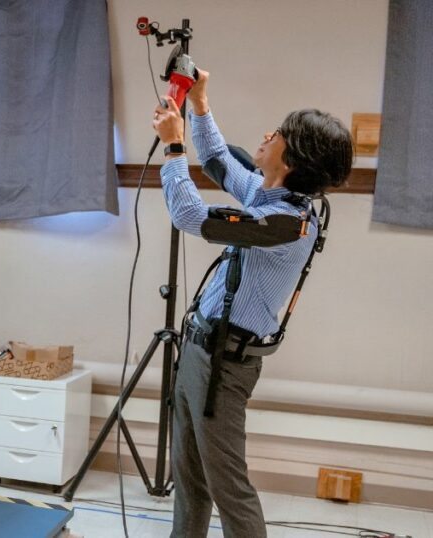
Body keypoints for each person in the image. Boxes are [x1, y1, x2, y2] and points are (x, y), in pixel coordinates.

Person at [152, 69, 353, 538]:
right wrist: (200, 103)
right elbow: (220, 161)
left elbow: (188, 215)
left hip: (224, 364)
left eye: (279, 132)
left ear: (295, 158)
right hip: (200, 349)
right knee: (191, 481)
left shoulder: (286, 223)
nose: (268, 134)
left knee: (230, 490)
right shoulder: (270, 197)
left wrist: (174, 148)